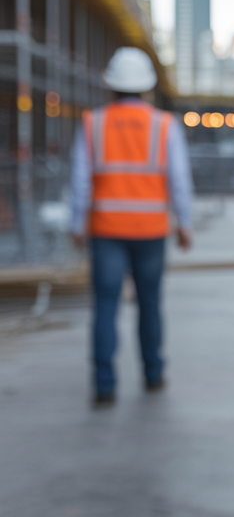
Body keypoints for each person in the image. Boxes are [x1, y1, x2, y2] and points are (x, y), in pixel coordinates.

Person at [69, 47, 194, 407]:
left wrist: (77, 223)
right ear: (147, 87)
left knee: (106, 306)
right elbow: (179, 180)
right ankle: (153, 374)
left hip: (106, 229)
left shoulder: (93, 123)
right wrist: (184, 223)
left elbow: (80, 180)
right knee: (150, 305)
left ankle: (104, 384)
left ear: (110, 85)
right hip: (150, 230)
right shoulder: (164, 125)